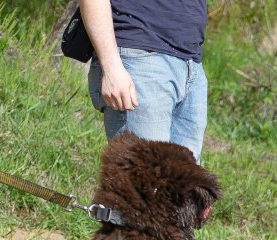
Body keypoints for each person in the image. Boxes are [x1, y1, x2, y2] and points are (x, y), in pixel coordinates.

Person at [80, 0, 208, 163]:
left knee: (182, 184)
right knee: (143, 177)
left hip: (191, 62)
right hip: (140, 57)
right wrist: (111, 67)